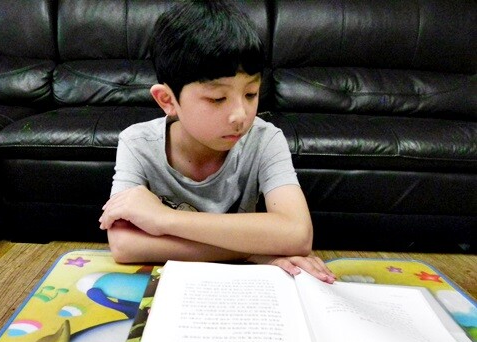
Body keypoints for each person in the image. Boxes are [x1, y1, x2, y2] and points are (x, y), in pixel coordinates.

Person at [99, 0, 335, 283]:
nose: (240, 115)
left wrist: (163, 219)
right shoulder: (137, 143)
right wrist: (253, 251)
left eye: (250, 94)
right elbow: (124, 245)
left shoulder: (265, 139)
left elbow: (297, 235)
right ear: (167, 100)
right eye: (217, 98)